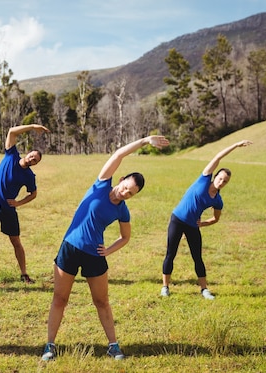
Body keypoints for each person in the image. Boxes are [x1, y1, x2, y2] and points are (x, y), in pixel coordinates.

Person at [41, 135, 170, 361]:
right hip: (70, 247)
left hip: (94, 255)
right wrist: (145, 141)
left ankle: (113, 345)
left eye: (130, 194)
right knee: (60, 298)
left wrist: (108, 250)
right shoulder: (101, 184)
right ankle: (49, 345)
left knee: (101, 301)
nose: (124, 193)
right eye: (125, 187)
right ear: (120, 180)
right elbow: (118, 154)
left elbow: (125, 237)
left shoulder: (122, 211)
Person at [160, 140, 252, 300]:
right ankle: (165, 287)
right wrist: (235, 145)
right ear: (215, 176)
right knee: (170, 254)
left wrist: (202, 223)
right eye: (221, 178)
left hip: (192, 226)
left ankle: (204, 289)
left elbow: (216, 218)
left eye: (225, 181)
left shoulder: (217, 200)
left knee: (197, 257)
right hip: (177, 219)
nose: (221, 182)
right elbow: (218, 157)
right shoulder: (203, 180)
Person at [0, 124, 50, 285]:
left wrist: (18, 202)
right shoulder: (11, 155)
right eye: (32, 156)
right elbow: (11, 131)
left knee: (16, 241)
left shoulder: (29, 176)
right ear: (28, 153)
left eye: (36, 160)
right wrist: (32, 127)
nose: (32, 159)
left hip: (8, 209)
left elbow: (34, 193)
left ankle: (24, 274)